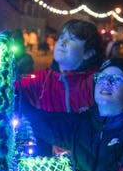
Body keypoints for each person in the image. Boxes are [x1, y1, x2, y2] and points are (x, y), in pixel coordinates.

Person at [19, 58, 123, 171]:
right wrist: (8, 91)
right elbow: (38, 122)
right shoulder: (82, 123)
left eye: (116, 79)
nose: (106, 82)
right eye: (101, 77)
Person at [16, 19, 103, 155]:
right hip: (48, 166)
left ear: (88, 53)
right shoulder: (41, 80)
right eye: (61, 37)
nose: (62, 42)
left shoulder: (98, 82)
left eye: (72, 39)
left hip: (88, 167)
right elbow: (12, 86)